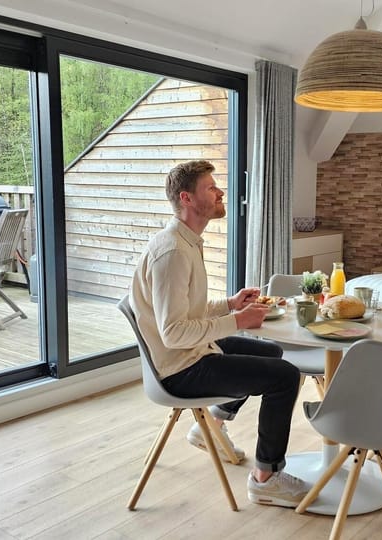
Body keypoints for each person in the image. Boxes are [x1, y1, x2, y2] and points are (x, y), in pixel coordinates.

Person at [129, 159, 309, 508]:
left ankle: (210, 425)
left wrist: (229, 305)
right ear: (187, 198)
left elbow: (188, 312)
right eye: (211, 187)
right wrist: (238, 321)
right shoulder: (173, 252)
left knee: (271, 352)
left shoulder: (185, 242)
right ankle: (266, 479)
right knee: (286, 376)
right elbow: (174, 333)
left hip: (192, 351)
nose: (220, 192)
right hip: (180, 368)